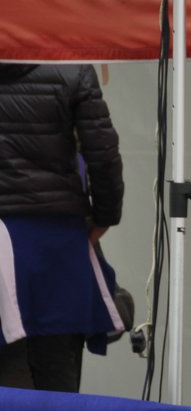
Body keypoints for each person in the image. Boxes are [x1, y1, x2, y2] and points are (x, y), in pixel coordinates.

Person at [0, 63, 125, 391]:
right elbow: (104, 153)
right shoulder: (71, 66)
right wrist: (105, 216)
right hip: (56, 244)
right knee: (57, 388)